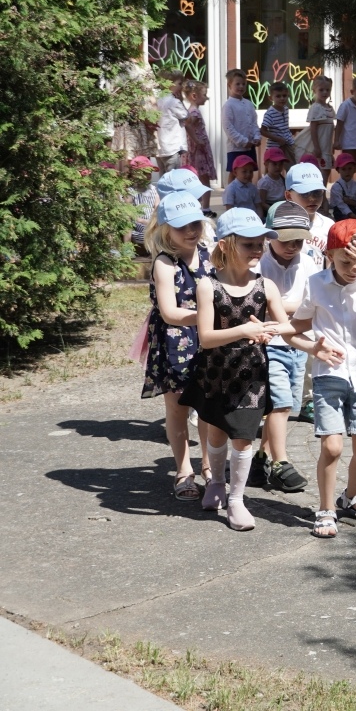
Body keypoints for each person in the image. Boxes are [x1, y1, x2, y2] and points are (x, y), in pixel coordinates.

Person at [180, 208, 293, 531]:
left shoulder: (266, 286)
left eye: (260, 244)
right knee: (216, 432)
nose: (257, 250)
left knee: (244, 439)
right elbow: (206, 338)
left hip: (252, 377)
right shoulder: (207, 286)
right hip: (216, 374)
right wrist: (245, 330)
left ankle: (236, 499)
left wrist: (311, 342)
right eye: (249, 244)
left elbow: (284, 328)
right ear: (227, 245)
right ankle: (216, 482)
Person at [286, 220, 356, 538]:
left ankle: (350, 497)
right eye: (345, 261)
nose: (353, 269)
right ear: (330, 256)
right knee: (332, 447)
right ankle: (325, 509)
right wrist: (309, 347)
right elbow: (297, 329)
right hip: (328, 377)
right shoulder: (316, 284)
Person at [141, 192, 215, 502]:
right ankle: (184, 469)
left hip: (209, 341)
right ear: (166, 227)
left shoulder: (210, 254)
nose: (190, 231)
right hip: (176, 343)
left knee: (209, 407)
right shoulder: (164, 263)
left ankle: (210, 465)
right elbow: (170, 313)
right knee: (178, 408)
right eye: (182, 225)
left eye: (195, 223)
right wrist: (209, 315)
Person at [250, 201, 319, 493]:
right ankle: (281, 463)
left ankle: (261, 458)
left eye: (298, 240)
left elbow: (315, 299)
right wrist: (291, 306)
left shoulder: (309, 262)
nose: (292, 246)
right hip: (268, 343)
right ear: (269, 236)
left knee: (284, 404)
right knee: (279, 404)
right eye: (286, 239)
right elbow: (257, 304)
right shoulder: (259, 265)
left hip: (297, 343)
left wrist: (283, 306)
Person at [284, 162, 334, 265]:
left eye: (317, 192)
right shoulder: (277, 226)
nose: (312, 198)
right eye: (305, 194)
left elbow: (331, 262)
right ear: (289, 196)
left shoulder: (329, 226)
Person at [222, 68, 261, 184]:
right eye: (237, 84)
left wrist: (257, 137)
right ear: (229, 85)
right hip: (236, 148)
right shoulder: (228, 106)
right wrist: (243, 141)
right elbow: (228, 127)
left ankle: (247, 195)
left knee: (249, 172)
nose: (241, 87)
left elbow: (254, 122)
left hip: (250, 147)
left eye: (243, 84)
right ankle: (230, 196)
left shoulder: (249, 104)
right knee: (235, 172)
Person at [182, 80, 216, 213]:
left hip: (196, 149)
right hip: (199, 151)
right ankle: (205, 207)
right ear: (194, 96)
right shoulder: (194, 112)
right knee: (204, 178)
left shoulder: (191, 111)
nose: (206, 97)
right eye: (204, 94)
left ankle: (197, 205)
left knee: (197, 178)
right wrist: (196, 140)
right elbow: (188, 125)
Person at [156, 71, 189, 174]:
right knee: (173, 179)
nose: (181, 87)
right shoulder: (174, 102)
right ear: (170, 84)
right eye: (179, 83)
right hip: (172, 147)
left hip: (160, 147)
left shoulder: (157, 100)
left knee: (163, 178)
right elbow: (186, 116)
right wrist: (181, 101)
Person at [124, 156, 158, 252]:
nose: (148, 175)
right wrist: (143, 221)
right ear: (135, 174)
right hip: (138, 225)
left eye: (150, 173)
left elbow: (157, 208)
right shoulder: (131, 191)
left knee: (160, 230)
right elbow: (129, 212)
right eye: (145, 173)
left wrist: (153, 221)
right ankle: (127, 249)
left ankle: (160, 253)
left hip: (152, 223)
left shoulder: (153, 189)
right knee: (128, 224)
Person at [306, 75, 335, 178]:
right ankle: (319, 194)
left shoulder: (329, 108)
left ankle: (322, 194)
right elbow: (313, 129)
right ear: (314, 90)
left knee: (326, 171)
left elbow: (329, 130)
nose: (324, 92)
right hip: (320, 146)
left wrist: (331, 146)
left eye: (327, 90)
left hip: (327, 146)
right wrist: (317, 147)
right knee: (320, 171)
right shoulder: (316, 108)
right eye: (321, 90)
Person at [259, 81, 296, 164]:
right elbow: (263, 131)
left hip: (287, 144)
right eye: (278, 96)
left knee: (291, 166)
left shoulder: (286, 109)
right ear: (271, 98)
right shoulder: (270, 113)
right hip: (275, 146)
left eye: (284, 96)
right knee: (273, 170)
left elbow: (284, 127)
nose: (282, 98)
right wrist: (278, 139)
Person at [329, 152, 356, 222]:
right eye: (344, 169)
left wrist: (353, 202)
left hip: (355, 212)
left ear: (354, 169)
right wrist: (354, 216)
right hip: (342, 214)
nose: (347, 172)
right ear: (338, 170)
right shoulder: (336, 187)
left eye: (350, 168)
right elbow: (340, 205)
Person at [256, 148, 288, 217]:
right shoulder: (264, 182)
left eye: (281, 164)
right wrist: (274, 210)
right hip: (269, 209)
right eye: (274, 164)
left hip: (282, 206)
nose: (278, 167)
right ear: (266, 164)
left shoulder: (283, 179)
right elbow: (262, 202)